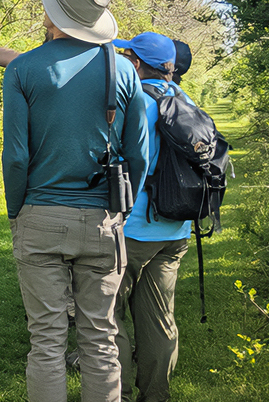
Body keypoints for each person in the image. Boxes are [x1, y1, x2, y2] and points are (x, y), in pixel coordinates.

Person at [2, 0, 149, 402]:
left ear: (52, 15)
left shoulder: (23, 68)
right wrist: (123, 207)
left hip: (39, 215)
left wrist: (16, 210)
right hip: (103, 219)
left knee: (45, 341)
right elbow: (138, 151)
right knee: (100, 338)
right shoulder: (122, 70)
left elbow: (16, 156)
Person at [112, 32, 190, 402]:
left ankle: (119, 395)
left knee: (108, 317)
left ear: (137, 63)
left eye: (127, 55)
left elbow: (129, 160)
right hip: (175, 230)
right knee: (159, 319)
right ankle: (156, 396)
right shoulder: (185, 99)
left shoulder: (138, 101)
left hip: (134, 229)